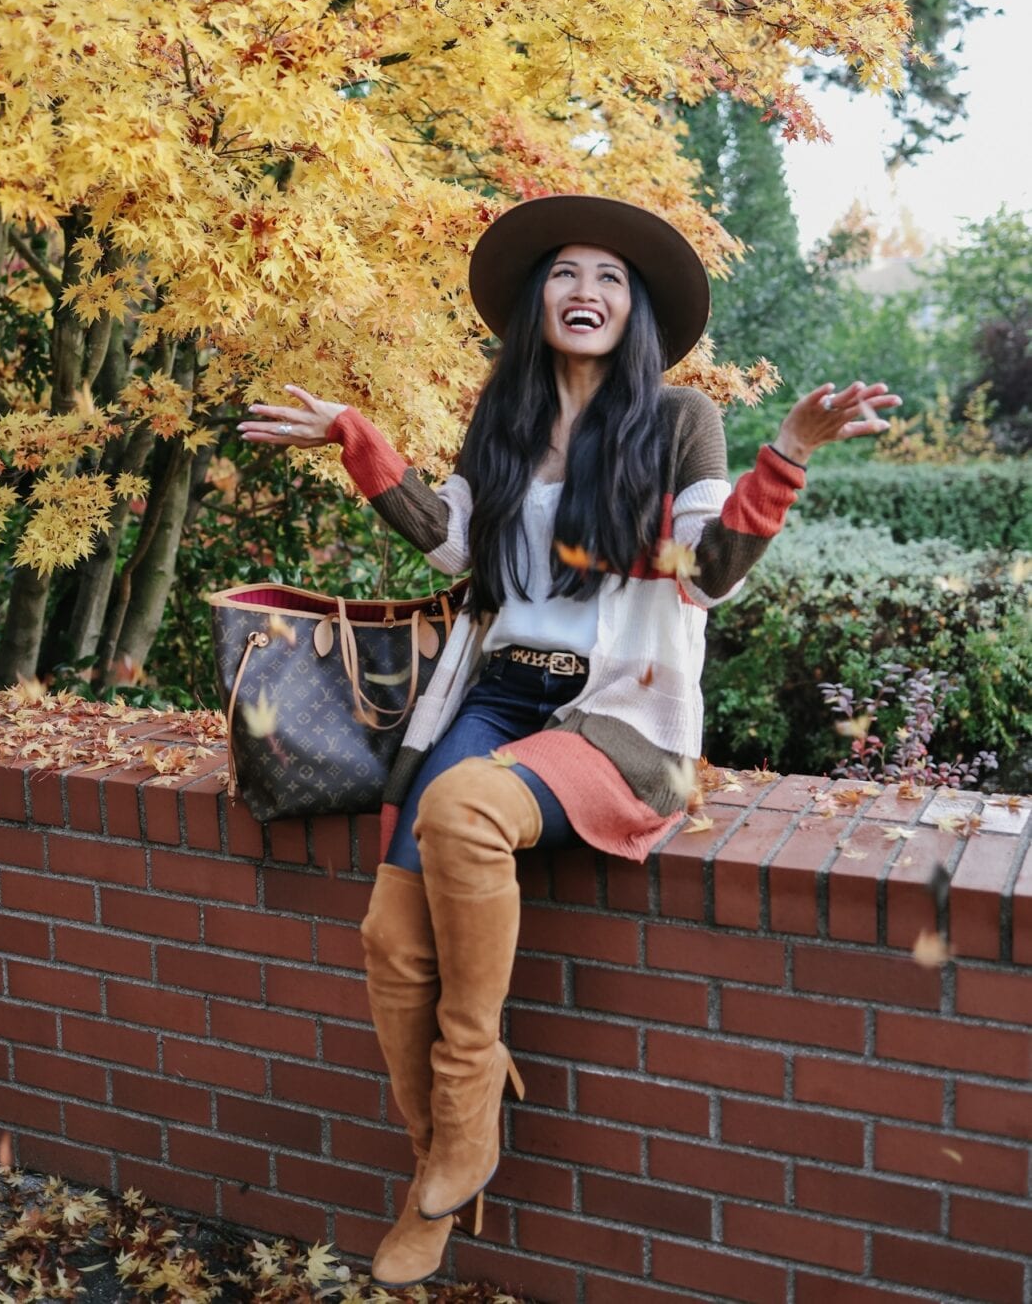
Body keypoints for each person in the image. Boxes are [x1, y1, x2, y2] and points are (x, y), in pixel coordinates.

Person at [236, 193, 899, 1288]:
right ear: (536, 300)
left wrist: (786, 454)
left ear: (633, 309)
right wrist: (358, 440)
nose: (584, 291)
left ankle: (458, 1131)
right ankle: (444, 1163)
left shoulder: (679, 419)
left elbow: (712, 572)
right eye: (564, 273)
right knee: (390, 940)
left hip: (619, 717)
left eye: (609, 278)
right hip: (498, 697)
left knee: (459, 808)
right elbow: (453, 547)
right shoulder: (501, 416)